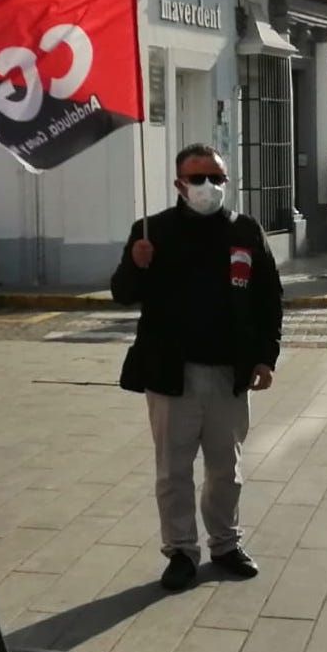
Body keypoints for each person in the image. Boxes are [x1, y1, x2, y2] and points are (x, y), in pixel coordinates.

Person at [111, 144, 283, 592]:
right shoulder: (152, 231)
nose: (208, 186)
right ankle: (182, 552)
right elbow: (123, 294)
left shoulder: (245, 230)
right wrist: (136, 263)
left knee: (226, 469)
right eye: (198, 178)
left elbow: (270, 298)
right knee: (173, 471)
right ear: (178, 184)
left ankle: (225, 544)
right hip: (172, 374)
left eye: (217, 178)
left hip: (231, 374)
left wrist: (267, 355)